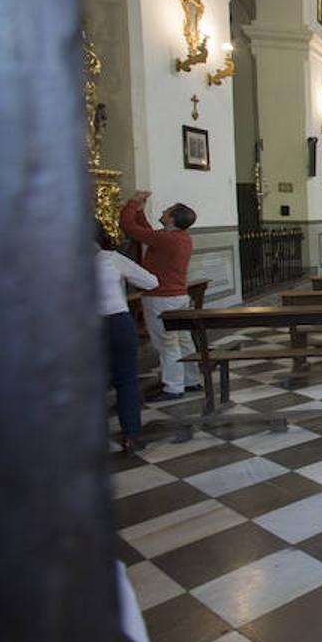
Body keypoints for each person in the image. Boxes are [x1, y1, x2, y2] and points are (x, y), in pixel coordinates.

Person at [119, 192, 201, 401]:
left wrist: (133, 203)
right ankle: (191, 380)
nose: (163, 211)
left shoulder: (167, 239)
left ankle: (173, 387)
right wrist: (141, 212)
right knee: (183, 340)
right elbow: (149, 234)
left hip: (161, 297)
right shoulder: (179, 237)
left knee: (167, 343)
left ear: (172, 218)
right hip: (178, 295)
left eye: (167, 210)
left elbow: (130, 229)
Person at [96, 223, 159, 453]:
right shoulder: (111, 259)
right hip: (116, 322)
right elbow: (151, 282)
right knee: (126, 381)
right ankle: (131, 436)